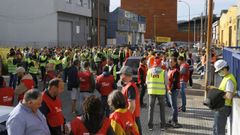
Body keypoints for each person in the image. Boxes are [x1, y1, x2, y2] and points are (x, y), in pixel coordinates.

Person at [213, 60, 237, 135]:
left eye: (220, 71)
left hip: (223, 107)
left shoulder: (229, 79)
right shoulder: (226, 77)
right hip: (221, 106)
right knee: (216, 128)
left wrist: (218, 96)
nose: (219, 73)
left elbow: (229, 96)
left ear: (225, 68)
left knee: (219, 130)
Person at [117, 66, 142, 135]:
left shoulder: (130, 87)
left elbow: (132, 106)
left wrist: (125, 117)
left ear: (124, 75)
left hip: (132, 118)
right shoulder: (128, 85)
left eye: (120, 74)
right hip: (132, 117)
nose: (120, 76)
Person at [146, 60, 168, 131]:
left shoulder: (149, 71)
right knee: (162, 109)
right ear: (160, 64)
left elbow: (147, 82)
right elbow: (166, 82)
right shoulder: (163, 72)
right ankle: (162, 126)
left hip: (151, 92)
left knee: (151, 109)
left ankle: (150, 126)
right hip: (161, 92)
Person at [167, 57, 182, 128]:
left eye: (171, 62)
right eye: (169, 61)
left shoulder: (175, 71)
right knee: (172, 105)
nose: (170, 63)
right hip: (170, 90)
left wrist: (170, 89)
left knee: (174, 106)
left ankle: (174, 121)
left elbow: (174, 82)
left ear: (175, 62)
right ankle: (173, 119)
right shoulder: (170, 69)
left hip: (173, 90)